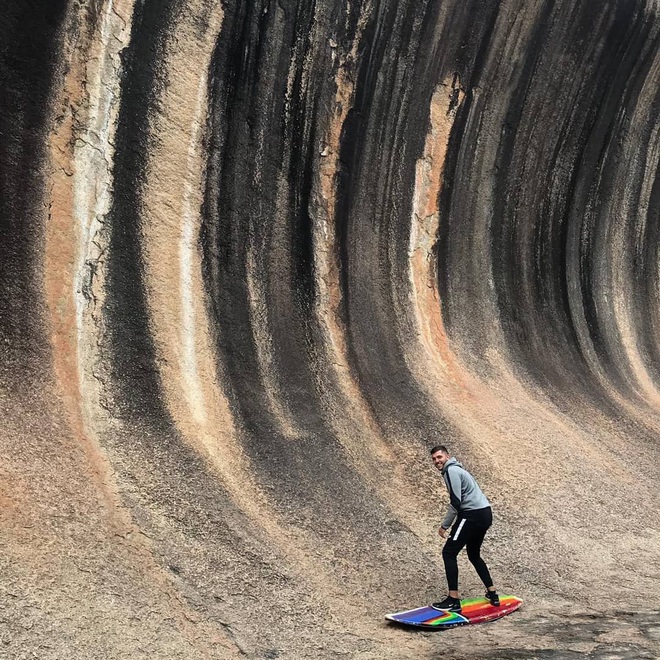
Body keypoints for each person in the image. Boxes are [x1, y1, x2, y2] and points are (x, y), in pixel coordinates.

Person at [430, 444, 499, 612]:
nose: (437, 461)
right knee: (474, 554)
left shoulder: (451, 471)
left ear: (447, 456)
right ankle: (492, 593)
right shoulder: (458, 470)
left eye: (439, 457)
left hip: (472, 515)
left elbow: (456, 502)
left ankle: (453, 599)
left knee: (448, 552)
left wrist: (444, 525)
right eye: (434, 459)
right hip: (484, 513)